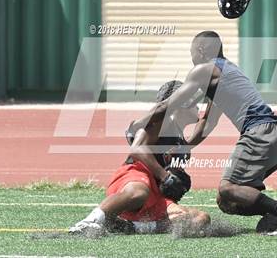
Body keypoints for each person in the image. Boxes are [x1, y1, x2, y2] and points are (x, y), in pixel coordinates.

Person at [129, 31, 277, 236]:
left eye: (191, 52)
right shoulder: (228, 71)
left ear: (199, 50)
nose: (191, 58)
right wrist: (186, 146)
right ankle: (274, 212)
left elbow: (167, 105)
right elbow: (208, 122)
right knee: (226, 201)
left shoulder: (203, 70)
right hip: (275, 140)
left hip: (258, 134)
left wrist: (137, 124)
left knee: (229, 188)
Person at [69, 80, 211, 236]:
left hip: (157, 193)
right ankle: (90, 222)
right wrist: (165, 176)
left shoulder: (181, 142)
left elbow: (206, 124)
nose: (198, 105)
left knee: (200, 218)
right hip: (136, 176)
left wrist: (217, 96)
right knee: (140, 192)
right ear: (181, 104)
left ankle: (132, 227)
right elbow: (136, 149)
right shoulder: (160, 123)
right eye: (192, 100)